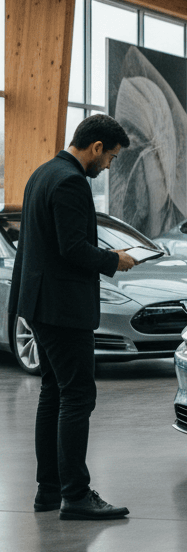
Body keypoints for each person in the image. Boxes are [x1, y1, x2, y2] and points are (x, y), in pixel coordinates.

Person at [11, 114, 138, 520]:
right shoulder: (70, 181)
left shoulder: (41, 174)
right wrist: (113, 260)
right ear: (96, 147)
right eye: (112, 158)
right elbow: (72, 248)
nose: (109, 167)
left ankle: (48, 491)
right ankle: (77, 496)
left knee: (54, 394)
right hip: (63, 310)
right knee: (78, 396)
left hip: (40, 306)